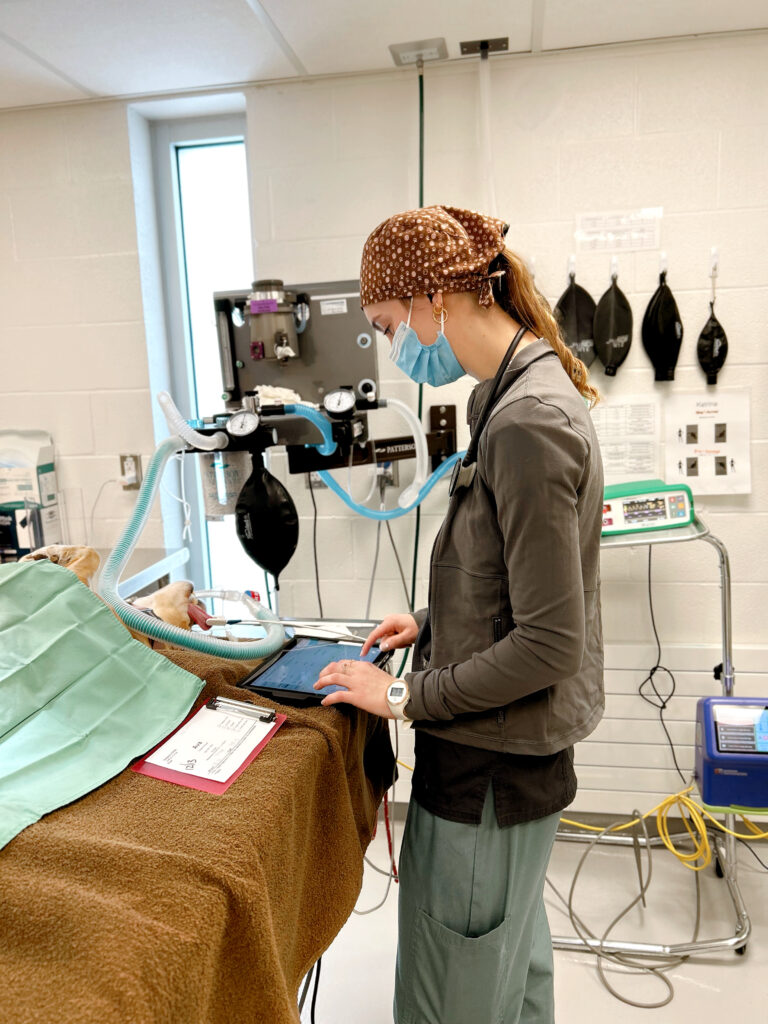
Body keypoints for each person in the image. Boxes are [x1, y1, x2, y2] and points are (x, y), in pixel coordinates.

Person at [313, 205, 604, 1024]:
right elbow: (510, 576)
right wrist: (432, 619)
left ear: (434, 297)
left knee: (455, 998)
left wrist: (399, 695)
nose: (396, 347)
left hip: (490, 772)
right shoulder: (508, 394)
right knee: (510, 970)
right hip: (501, 760)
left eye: (389, 325)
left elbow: (548, 643)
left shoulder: (528, 422)